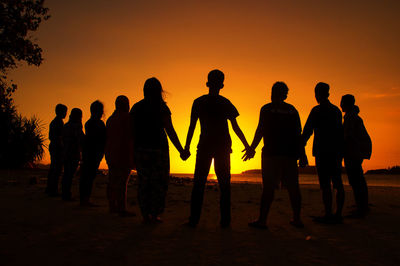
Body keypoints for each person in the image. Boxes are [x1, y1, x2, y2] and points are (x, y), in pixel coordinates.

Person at [184, 69, 250, 228]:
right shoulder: (225, 102)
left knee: (199, 184)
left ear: (207, 83)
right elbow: (236, 128)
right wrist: (247, 146)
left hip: (207, 146)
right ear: (222, 84)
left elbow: (192, 127)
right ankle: (225, 222)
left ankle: (194, 220)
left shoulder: (199, 102)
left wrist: (186, 147)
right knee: (224, 185)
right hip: (220, 147)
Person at [243, 82, 307, 229]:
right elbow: (298, 134)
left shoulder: (267, 109)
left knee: (269, 188)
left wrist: (252, 148)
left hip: (271, 154)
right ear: (285, 95)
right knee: (293, 188)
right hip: (289, 155)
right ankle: (296, 219)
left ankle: (262, 220)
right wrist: (302, 154)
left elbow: (260, 130)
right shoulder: (292, 110)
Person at [130, 78, 189, 223]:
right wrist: (181, 150)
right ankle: (154, 214)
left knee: (144, 183)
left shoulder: (136, 108)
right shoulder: (161, 107)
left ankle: (145, 214)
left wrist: (131, 151)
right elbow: (170, 130)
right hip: (159, 150)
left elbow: (131, 132)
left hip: (141, 149)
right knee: (159, 183)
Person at [302, 82, 345, 224]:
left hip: (322, 152)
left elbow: (307, 131)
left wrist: (300, 148)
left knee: (326, 184)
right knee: (337, 183)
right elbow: (340, 133)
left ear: (317, 94)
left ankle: (328, 214)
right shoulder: (336, 111)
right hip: (336, 152)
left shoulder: (317, 111)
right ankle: (337, 214)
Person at [340, 94, 372, 218]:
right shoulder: (351, 116)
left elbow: (349, 136)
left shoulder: (350, 117)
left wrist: (344, 150)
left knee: (356, 179)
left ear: (346, 104)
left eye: (342, 102)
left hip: (355, 151)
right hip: (358, 150)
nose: (340, 104)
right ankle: (362, 205)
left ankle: (361, 207)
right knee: (357, 178)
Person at [105, 95, 134, 216]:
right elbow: (131, 137)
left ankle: (112, 206)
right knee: (122, 182)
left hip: (111, 153)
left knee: (112, 180)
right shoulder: (127, 118)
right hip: (123, 154)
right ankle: (121, 208)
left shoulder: (110, 119)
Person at [80, 101, 106, 206]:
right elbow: (102, 138)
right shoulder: (98, 124)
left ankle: (84, 199)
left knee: (87, 176)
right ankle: (85, 199)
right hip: (93, 153)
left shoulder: (88, 123)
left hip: (89, 153)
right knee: (89, 176)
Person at [62, 108, 84, 201]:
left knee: (67, 174)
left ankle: (65, 193)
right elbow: (80, 139)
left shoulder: (67, 125)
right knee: (69, 175)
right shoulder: (76, 127)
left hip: (67, 152)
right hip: (72, 153)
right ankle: (66, 195)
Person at [46, 104, 68, 197]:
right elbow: (57, 137)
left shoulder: (56, 122)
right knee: (56, 169)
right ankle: (52, 190)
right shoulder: (58, 122)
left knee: (54, 168)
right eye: (64, 112)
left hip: (55, 146)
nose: (65, 114)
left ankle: (50, 188)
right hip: (57, 147)